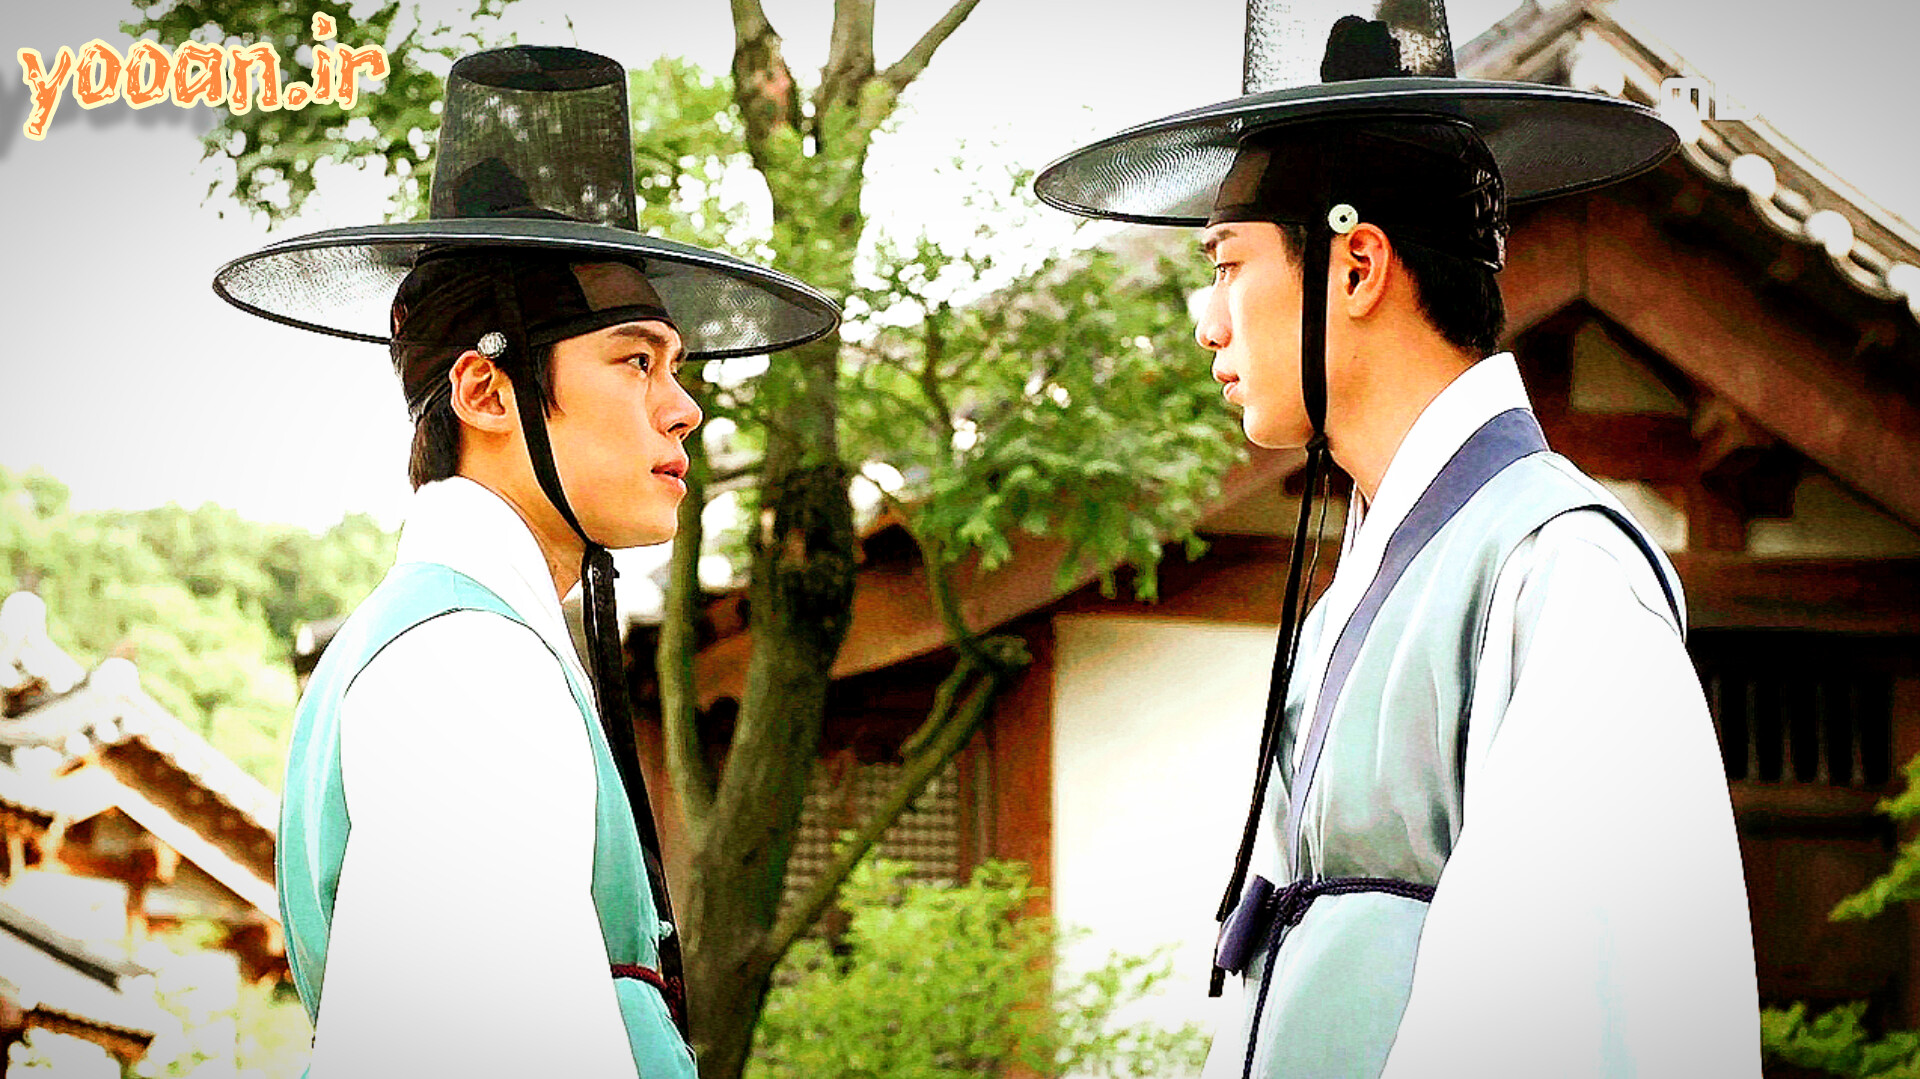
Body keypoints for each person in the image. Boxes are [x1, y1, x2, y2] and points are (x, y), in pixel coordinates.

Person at [1035, 4, 1759, 1076]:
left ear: (1357, 267)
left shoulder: (1559, 570)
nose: (1207, 319)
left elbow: (1569, 1022)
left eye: (1228, 263)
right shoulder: (1364, 590)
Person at [211, 46, 838, 1076]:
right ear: (486, 392)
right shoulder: (467, 668)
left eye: (675, 367)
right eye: (636, 360)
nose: (683, 407)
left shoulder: (458, 639)